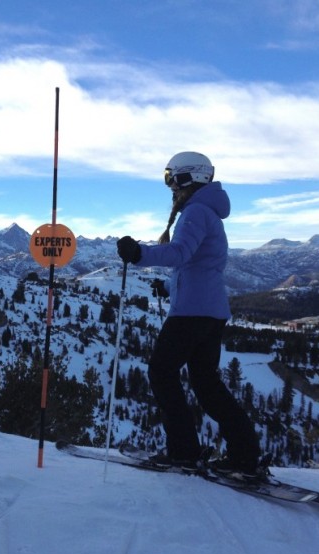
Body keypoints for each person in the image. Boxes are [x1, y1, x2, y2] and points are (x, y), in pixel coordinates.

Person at [116, 151, 262, 475]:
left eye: (174, 181)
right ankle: (245, 454)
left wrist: (139, 253)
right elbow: (201, 266)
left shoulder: (195, 211)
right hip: (209, 311)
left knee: (161, 372)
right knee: (206, 385)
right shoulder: (207, 211)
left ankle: (184, 451)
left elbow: (181, 253)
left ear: (190, 178)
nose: (172, 189)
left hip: (191, 314)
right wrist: (169, 289)